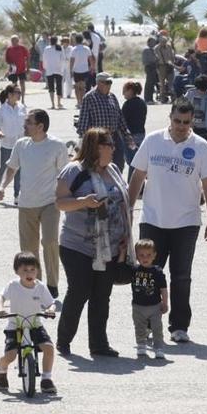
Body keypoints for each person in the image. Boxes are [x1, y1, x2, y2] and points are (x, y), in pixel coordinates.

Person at [128, 102, 207, 343]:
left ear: (192, 122)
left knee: (181, 276)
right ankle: (147, 325)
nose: (180, 126)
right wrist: (127, 207)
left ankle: (179, 326)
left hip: (186, 223)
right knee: (147, 275)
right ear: (170, 118)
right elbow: (137, 175)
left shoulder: (201, 147)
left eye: (186, 122)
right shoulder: (153, 140)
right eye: (177, 121)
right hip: (153, 219)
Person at [54, 128, 133, 357]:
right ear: (97, 147)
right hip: (76, 244)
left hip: (110, 245)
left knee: (101, 296)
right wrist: (82, 202)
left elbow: (123, 203)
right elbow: (59, 202)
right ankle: (63, 341)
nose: (114, 148)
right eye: (109, 144)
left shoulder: (115, 170)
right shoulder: (73, 171)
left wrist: (125, 238)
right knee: (79, 291)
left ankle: (98, 345)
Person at [0, 109, 68, 298]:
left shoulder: (57, 146)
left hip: (50, 203)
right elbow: (12, 168)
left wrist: (67, 199)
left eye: (28, 122)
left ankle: (52, 285)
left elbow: (64, 175)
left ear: (40, 126)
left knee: (50, 241)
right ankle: (36, 284)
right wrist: (2, 187)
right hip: (26, 203)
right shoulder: (21, 145)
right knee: (29, 249)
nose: (24, 125)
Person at [0, 252, 58, 394]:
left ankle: (46, 379)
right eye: (25, 270)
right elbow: (1, 297)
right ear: (17, 271)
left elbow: (51, 303)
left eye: (33, 269)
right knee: (10, 355)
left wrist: (50, 310)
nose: (29, 273)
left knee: (48, 348)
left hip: (35, 324)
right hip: (15, 326)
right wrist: (0, 309)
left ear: (37, 271)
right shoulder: (13, 285)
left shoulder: (40, 287)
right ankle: (1, 369)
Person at [77, 73, 137, 172]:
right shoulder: (89, 98)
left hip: (114, 137)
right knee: (99, 165)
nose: (109, 85)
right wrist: (88, 141)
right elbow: (83, 123)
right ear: (99, 83)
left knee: (118, 164)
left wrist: (127, 135)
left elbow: (120, 118)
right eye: (107, 82)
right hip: (98, 139)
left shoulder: (112, 97)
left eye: (110, 82)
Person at [130, 239, 168, 359]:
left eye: (148, 255)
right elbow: (121, 269)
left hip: (155, 306)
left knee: (157, 328)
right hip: (138, 306)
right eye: (141, 255)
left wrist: (165, 302)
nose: (145, 258)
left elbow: (163, 288)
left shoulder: (157, 271)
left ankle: (158, 347)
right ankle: (141, 345)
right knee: (139, 327)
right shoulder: (134, 270)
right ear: (136, 256)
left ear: (154, 255)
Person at [0, 84, 26, 204]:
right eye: (17, 92)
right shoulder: (1, 110)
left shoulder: (22, 107)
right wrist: (0, 133)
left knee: (19, 170)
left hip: (21, 143)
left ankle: (17, 195)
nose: (19, 94)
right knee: (4, 168)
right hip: (7, 143)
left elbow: (26, 124)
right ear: (10, 94)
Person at [120, 81, 146, 181]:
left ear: (130, 91)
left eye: (124, 91)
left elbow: (122, 122)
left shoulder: (127, 105)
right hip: (141, 134)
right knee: (138, 160)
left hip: (130, 137)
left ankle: (131, 184)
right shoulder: (142, 102)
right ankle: (140, 183)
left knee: (132, 162)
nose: (123, 94)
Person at [69, 34, 95, 106]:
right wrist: (92, 67)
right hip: (85, 70)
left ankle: (78, 102)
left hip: (76, 70)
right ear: (82, 40)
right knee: (83, 87)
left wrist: (70, 70)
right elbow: (91, 59)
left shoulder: (73, 49)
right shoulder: (86, 48)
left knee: (77, 87)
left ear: (75, 40)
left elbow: (72, 61)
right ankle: (83, 101)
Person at [40, 36, 65, 109]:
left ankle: (53, 104)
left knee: (51, 87)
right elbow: (63, 59)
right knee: (59, 87)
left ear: (50, 41)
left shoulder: (47, 49)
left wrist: (45, 67)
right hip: (58, 70)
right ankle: (59, 103)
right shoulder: (60, 48)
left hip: (49, 70)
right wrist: (62, 69)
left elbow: (44, 59)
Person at [5, 35, 30, 104]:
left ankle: (23, 99)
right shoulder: (9, 49)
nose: (13, 42)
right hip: (13, 70)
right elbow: (7, 59)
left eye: (15, 40)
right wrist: (10, 64)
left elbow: (27, 58)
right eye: (12, 40)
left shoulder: (22, 48)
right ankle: (15, 99)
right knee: (14, 85)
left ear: (18, 41)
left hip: (22, 69)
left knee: (22, 84)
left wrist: (28, 68)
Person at [154, 35, 175, 103]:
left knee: (171, 83)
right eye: (162, 41)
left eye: (165, 41)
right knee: (162, 84)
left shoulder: (169, 47)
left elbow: (172, 56)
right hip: (161, 67)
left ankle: (173, 98)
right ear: (159, 41)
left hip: (169, 66)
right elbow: (156, 59)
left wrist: (172, 63)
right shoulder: (156, 48)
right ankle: (162, 98)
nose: (164, 43)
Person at [142, 37, 158, 104]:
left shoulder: (153, 50)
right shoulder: (146, 50)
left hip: (154, 67)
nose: (154, 43)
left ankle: (151, 98)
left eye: (154, 42)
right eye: (152, 42)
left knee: (152, 84)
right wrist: (154, 60)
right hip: (149, 67)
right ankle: (147, 99)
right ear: (149, 42)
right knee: (149, 84)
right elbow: (146, 60)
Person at [61, 36, 74, 100]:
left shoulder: (71, 48)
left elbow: (72, 56)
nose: (65, 43)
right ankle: (61, 93)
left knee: (69, 80)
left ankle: (68, 94)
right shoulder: (60, 48)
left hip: (69, 65)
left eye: (66, 42)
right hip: (61, 65)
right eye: (64, 42)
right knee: (61, 80)